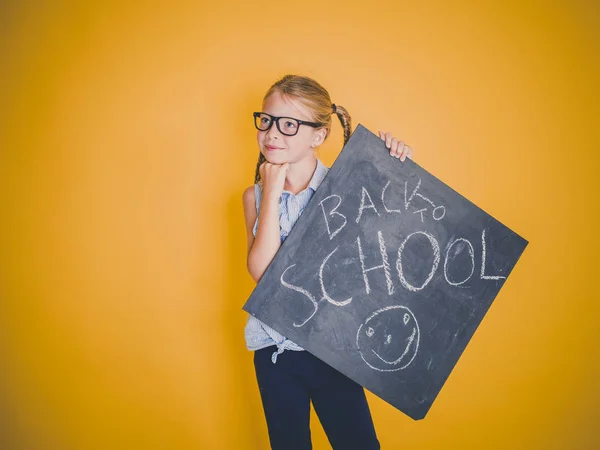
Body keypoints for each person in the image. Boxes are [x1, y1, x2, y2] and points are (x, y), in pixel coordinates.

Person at [242, 74, 413, 450]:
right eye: (266, 120)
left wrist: (396, 166)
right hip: (275, 350)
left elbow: (397, 237)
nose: (272, 134)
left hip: (335, 348)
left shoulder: (351, 187)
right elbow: (263, 275)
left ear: (318, 136)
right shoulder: (254, 196)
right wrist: (270, 191)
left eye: (289, 125)